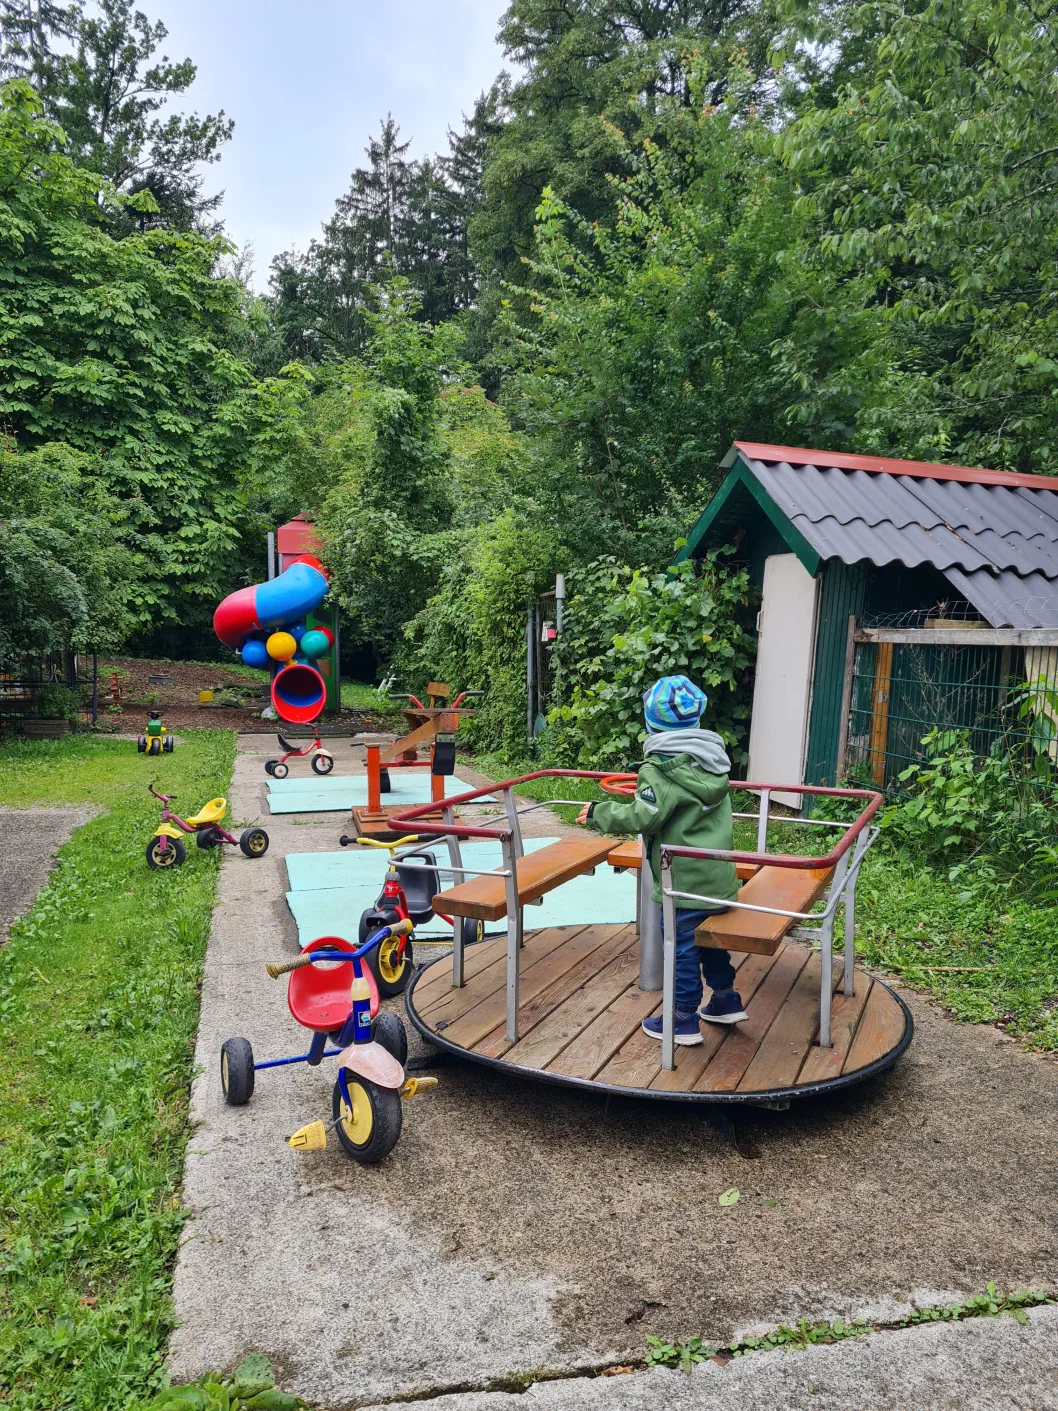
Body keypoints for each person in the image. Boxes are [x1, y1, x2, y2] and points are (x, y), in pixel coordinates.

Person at [576, 675, 746, 1045]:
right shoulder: (713, 760)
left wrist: (598, 812)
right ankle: (725, 999)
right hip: (718, 876)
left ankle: (682, 1019)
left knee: (681, 949)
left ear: (651, 722)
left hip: (682, 881)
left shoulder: (659, 768)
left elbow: (644, 817)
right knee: (711, 943)